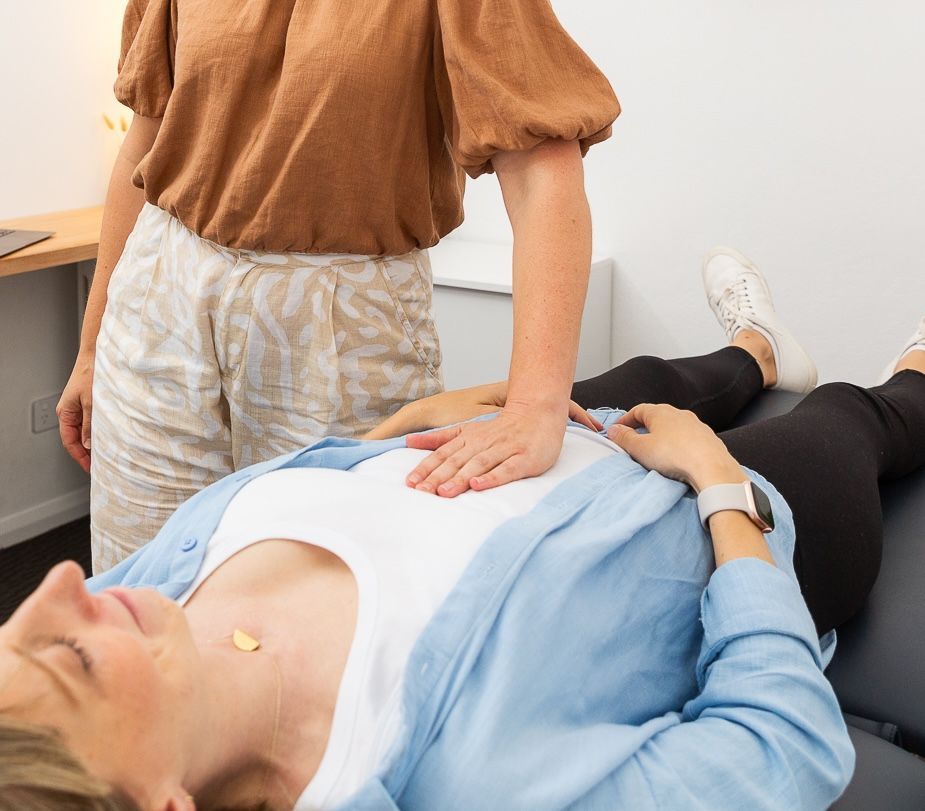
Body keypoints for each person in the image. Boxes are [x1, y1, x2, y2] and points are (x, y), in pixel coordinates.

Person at [5, 247, 925, 810]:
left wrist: (378, 440)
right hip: (711, 518)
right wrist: (720, 485)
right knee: (852, 415)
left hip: (504, 445)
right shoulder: (453, 784)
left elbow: (277, 494)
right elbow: (784, 747)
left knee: (662, 373)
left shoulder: (149, 602)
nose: (60, 585)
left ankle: (758, 347)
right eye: (70, 661)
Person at [56, 0, 621, 572]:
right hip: (159, 292)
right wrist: (90, 348)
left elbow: (543, 174)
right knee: (141, 581)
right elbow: (145, 141)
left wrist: (536, 404)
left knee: (316, 590)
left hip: (339, 321)